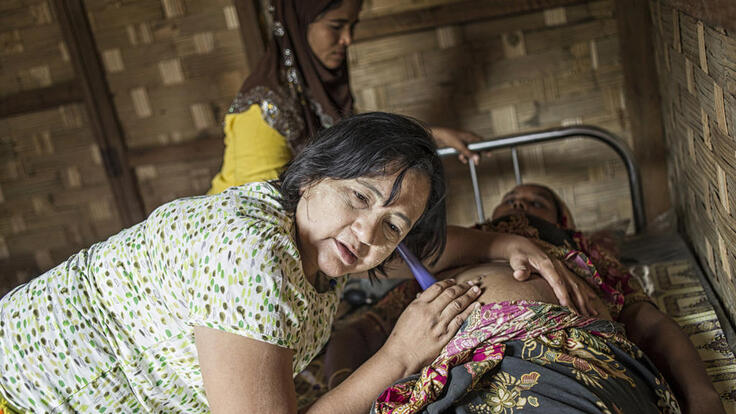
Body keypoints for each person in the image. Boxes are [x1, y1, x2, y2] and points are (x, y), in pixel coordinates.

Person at [0, 114, 584, 414]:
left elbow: (414, 250)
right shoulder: (252, 257)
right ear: (312, 174)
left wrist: (496, 245)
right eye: (358, 197)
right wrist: (400, 355)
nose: (367, 233)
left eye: (394, 225)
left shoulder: (312, 233)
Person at [323, 184, 725, 413]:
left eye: (535, 204)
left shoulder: (583, 255)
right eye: (512, 201)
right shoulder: (442, 264)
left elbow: (650, 324)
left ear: (560, 223)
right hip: (451, 376)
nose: (520, 207)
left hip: (572, 358)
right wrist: (349, 384)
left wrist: (702, 395)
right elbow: (354, 334)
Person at [207, 0, 481, 195]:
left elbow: (353, 149)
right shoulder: (263, 110)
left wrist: (431, 136)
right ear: (299, 24)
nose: (348, 39)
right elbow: (261, 209)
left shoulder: (317, 94)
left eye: (352, 25)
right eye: (336, 26)